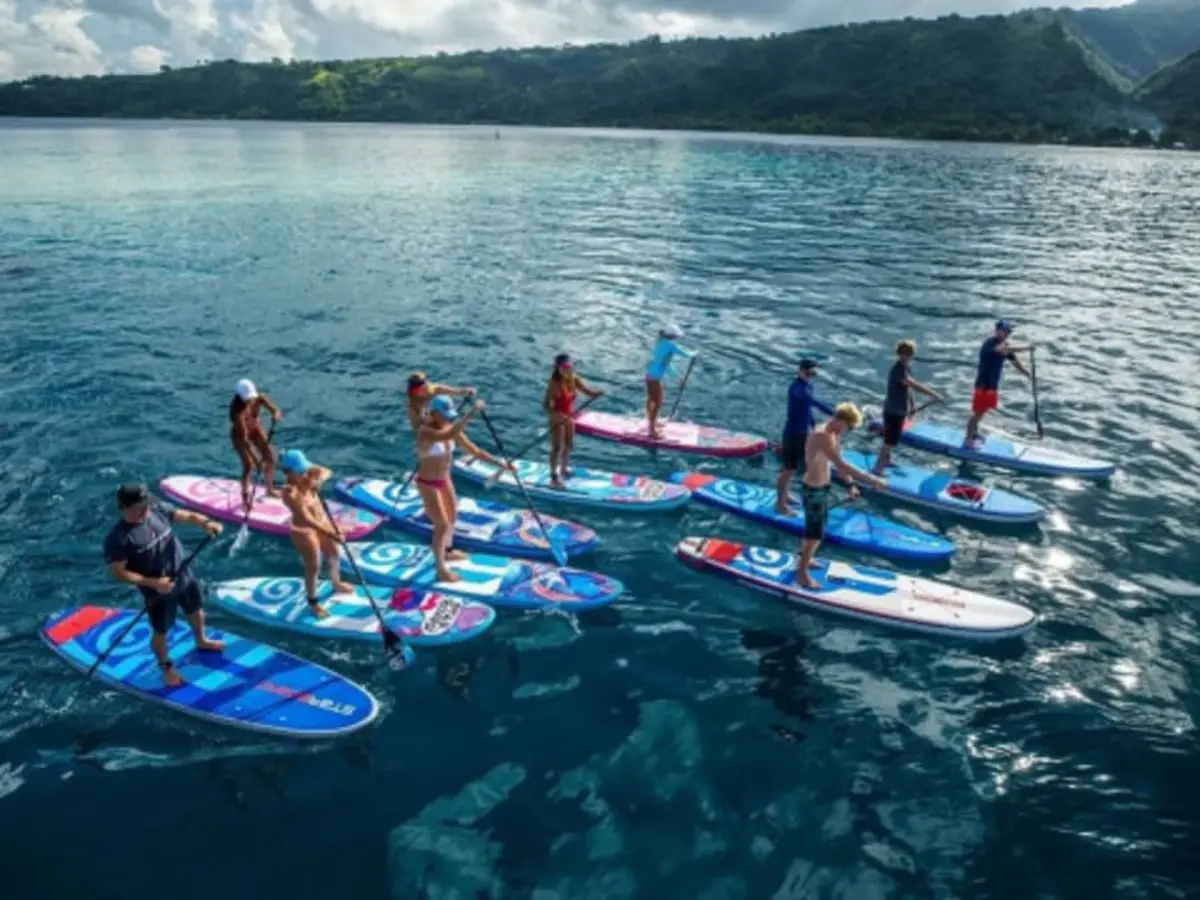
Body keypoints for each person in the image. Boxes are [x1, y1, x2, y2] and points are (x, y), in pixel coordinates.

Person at [103, 482, 225, 687]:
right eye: (139, 507)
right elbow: (119, 573)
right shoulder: (118, 539)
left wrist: (206, 523)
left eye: (146, 504)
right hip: (158, 593)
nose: (145, 510)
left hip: (184, 577)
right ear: (124, 508)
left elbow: (183, 515)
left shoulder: (156, 509)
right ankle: (166, 668)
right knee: (161, 632)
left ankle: (201, 640)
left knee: (196, 611)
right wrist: (153, 583)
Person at [416, 395, 512, 582]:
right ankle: (440, 569)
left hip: (444, 479)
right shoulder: (425, 432)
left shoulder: (450, 428)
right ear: (434, 413)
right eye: (444, 415)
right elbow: (446, 436)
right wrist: (471, 413)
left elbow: (474, 450)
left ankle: (448, 550)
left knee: (452, 516)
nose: (447, 418)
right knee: (441, 525)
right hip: (427, 483)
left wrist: (500, 464)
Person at [796, 404, 888, 589]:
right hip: (813, 489)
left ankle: (805, 559)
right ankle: (802, 574)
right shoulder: (822, 435)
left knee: (814, 530)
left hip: (822, 487)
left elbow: (837, 463)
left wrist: (851, 484)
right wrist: (872, 479)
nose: (848, 430)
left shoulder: (833, 434)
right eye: (849, 426)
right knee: (816, 534)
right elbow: (841, 464)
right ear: (841, 421)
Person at [279, 449, 355, 617]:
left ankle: (336, 583)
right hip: (304, 531)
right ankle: (313, 603)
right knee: (314, 566)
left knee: (334, 552)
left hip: (321, 523)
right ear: (289, 473)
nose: (304, 473)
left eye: (304, 469)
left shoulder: (307, 475)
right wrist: (331, 532)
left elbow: (327, 471)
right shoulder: (289, 494)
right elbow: (306, 519)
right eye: (300, 471)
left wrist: (316, 479)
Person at [874, 340, 944, 475]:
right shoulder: (898, 369)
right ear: (902, 354)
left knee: (893, 439)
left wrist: (912, 404)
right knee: (889, 441)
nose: (909, 356)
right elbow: (913, 384)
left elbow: (909, 387)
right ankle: (878, 468)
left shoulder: (906, 368)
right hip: (893, 411)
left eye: (910, 354)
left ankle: (887, 460)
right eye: (907, 354)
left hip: (900, 409)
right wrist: (934, 394)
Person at [965, 320, 1033, 448]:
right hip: (983, 385)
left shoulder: (1005, 346)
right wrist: (1027, 347)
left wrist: (1026, 373)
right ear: (997, 330)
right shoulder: (990, 344)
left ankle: (974, 433)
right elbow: (1005, 349)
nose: (1007, 333)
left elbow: (1014, 360)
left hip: (992, 385)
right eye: (1004, 331)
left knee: (984, 411)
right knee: (978, 412)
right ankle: (968, 438)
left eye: (1008, 331)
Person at [543, 353, 604, 488]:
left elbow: (587, 391)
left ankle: (564, 469)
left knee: (569, 445)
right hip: (556, 417)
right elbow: (546, 405)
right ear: (557, 368)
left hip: (569, 416)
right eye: (563, 367)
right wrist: (558, 416)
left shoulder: (574, 379)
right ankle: (553, 477)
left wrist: (596, 393)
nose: (566, 369)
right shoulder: (554, 383)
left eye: (569, 366)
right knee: (557, 447)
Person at [776, 358, 821, 514]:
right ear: (800, 371)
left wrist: (814, 426)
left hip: (803, 433)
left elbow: (808, 410)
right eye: (808, 373)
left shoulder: (809, 386)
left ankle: (786, 496)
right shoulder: (797, 388)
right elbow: (814, 402)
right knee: (788, 469)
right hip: (792, 434)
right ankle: (780, 505)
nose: (810, 376)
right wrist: (837, 413)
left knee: (796, 467)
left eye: (813, 373)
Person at [229, 378, 283, 511]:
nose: (250, 400)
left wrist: (275, 413)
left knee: (270, 457)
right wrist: (256, 460)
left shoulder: (259, 398)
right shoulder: (237, 412)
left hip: (255, 429)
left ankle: (269, 490)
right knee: (248, 466)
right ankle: (245, 499)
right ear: (239, 397)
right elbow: (245, 439)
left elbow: (275, 409)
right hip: (240, 436)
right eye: (247, 399)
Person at [644, 323, 696, 438]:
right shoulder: (670, 345)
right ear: (673, 336)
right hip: (653, 378)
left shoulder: (661, 342)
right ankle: (652, 430)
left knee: (651, 399)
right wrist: (694, 354)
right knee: (657, 402)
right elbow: (684, 353)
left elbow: (667, 365)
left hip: (649, 376)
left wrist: (679, 378)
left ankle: (652, 421)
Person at [405, 371, 476, 431]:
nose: (418, 393)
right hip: (428, 428)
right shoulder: (413, 404)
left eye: (424, 387)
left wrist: (466, 391)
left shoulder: (434, 389)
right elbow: (417, 427)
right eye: (416, 391)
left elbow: (455, 391)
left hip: (440, 417)